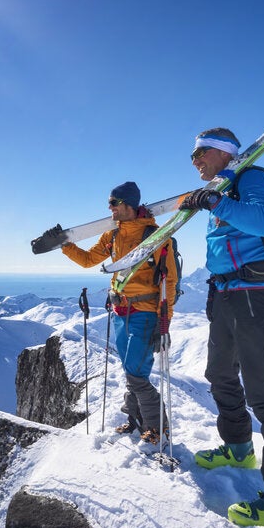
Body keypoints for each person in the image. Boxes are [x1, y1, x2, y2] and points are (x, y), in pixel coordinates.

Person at [179, 128, 264, 528]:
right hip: (227, 292)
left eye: (200, 152)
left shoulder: (252, 177)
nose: (194, 160)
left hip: (257, 292)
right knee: (219, 373)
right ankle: (238, 448)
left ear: (222, 152)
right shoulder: (225, 185)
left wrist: (216, 200)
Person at [58, 181, 178, 445]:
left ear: (127, 205)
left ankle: (158, 428)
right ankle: (136, 422)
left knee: (136, 371)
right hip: (120, 311)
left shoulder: (155, 237)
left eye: (113, 203)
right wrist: (65, 245)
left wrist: (164, 322)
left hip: (145, 312)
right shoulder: (112, 235)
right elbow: (89, 260)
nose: (109, 208)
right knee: (130, 370)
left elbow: (169, 281)